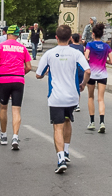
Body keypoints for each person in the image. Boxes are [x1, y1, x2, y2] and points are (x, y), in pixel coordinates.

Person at [36, 24, 90, 173]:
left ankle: (60, 159)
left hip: (56, 97)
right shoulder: (75, 53)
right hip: (72, 97)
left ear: (56, 37)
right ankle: (66, 151)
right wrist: (83, 84)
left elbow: (38, 74)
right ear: (70, 38)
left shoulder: (49, 54)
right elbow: (87, 70)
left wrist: (47, 71)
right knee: (67, 120)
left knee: (57, 126)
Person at [0, 24, 32, 150]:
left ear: (7, 34)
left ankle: (3, 135)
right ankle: (15, 137)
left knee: (3, 108)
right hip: (18, 80)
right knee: (16, 110)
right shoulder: (22, 48)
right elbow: (29, 67)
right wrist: (20, 74)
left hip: (4, 78)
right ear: (17, 35)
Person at [85, 23, 112, 132]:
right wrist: (104, 60)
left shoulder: (89, 45)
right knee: (101, 99)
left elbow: (86, 57)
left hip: (91, 74)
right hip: (102, 74)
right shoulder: (106, 46)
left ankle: (92, 122)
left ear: (93, 34)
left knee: (90, 97)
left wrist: (91, 60)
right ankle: (102, 122)